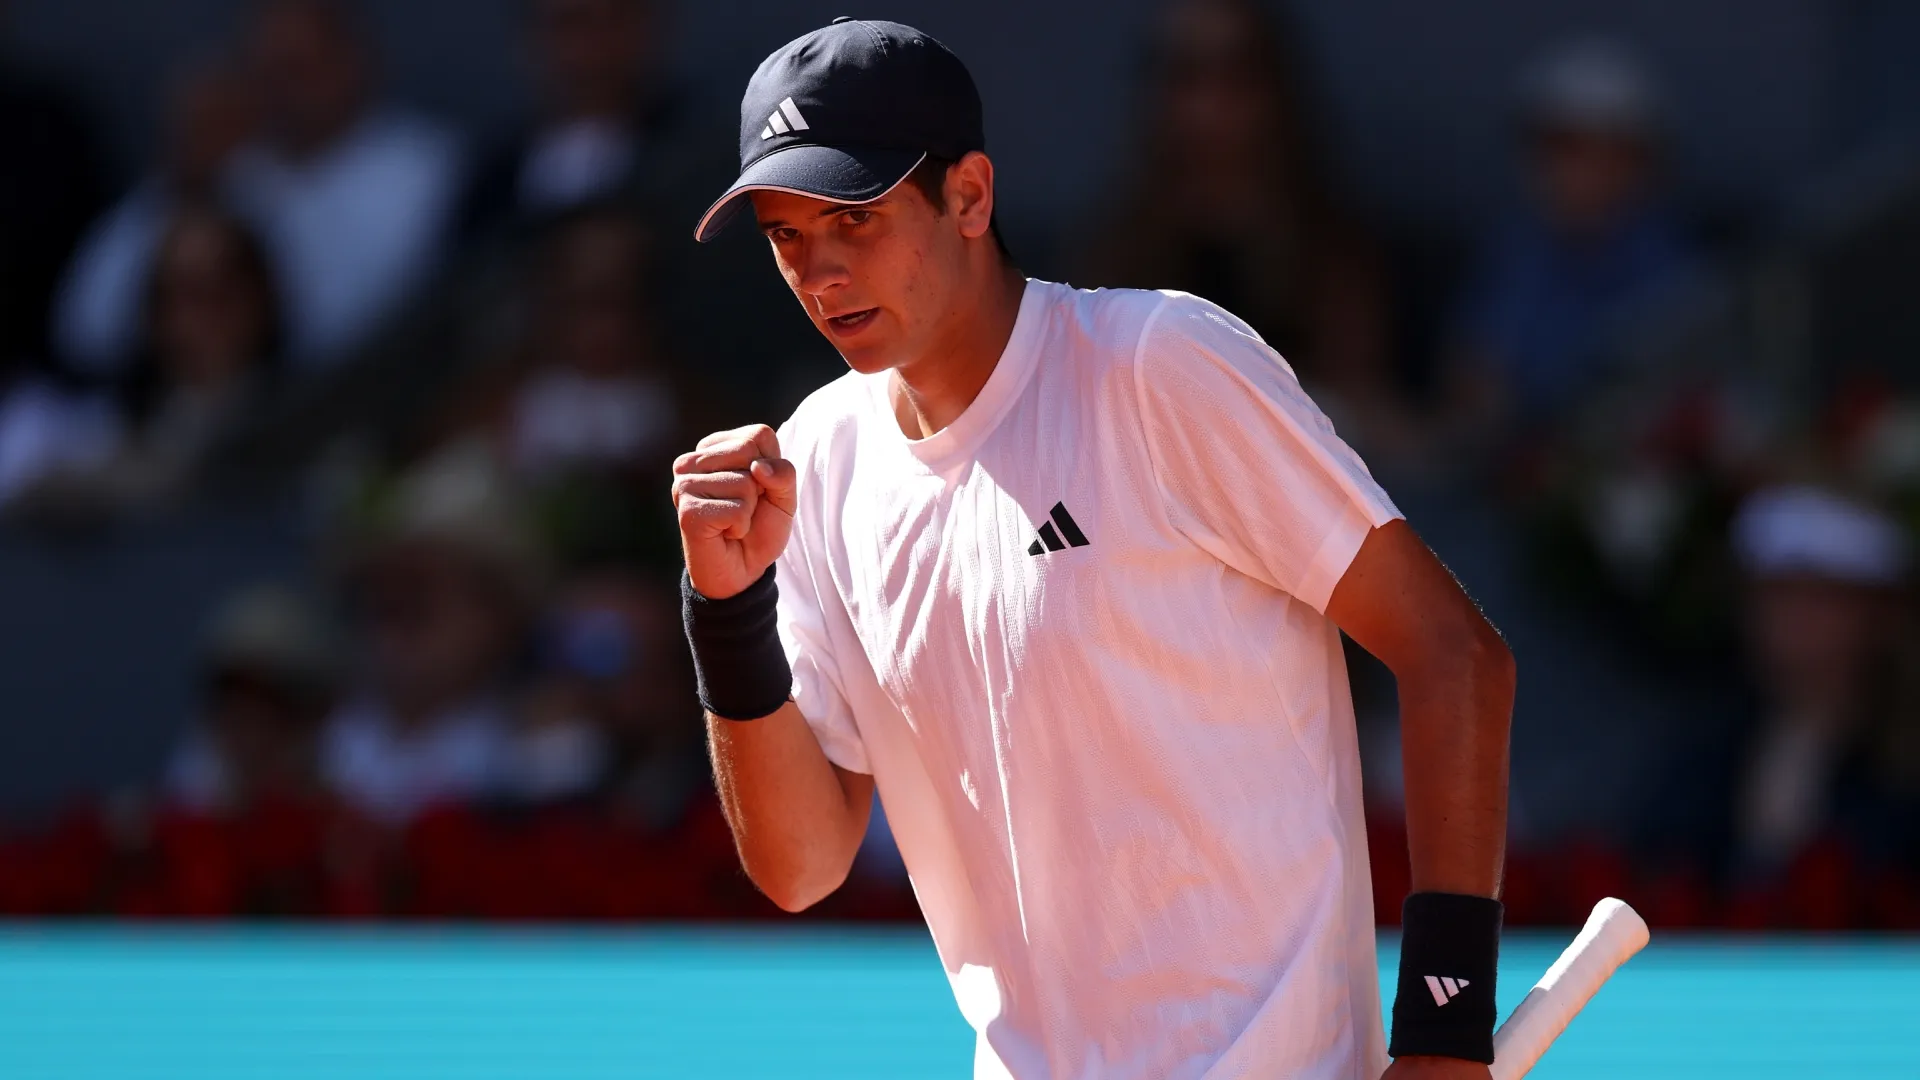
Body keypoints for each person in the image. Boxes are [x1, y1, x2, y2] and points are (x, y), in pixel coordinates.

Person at [673, 20, 1514, 1079]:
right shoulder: (819, 461)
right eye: (786, 235)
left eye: (855, 217)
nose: (821, 269)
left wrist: (1446, 1034)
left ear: (970, 197)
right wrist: (727, 611)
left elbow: (1456, 656)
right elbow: (800, 866)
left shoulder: (1161, 364)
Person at [55, 0, 463, 372]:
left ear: (356, 57)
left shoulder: (426, 167)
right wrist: (185, 181)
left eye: (305, 65)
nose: (293, 90)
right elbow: (89, 328)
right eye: (274, 70)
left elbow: (362, 320)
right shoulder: (232, 175)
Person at [1073, 0, 1404, 451]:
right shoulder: (1118, 250)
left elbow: (1365, 412)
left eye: (1235, 77)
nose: (1211, 106)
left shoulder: (1329, 253)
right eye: (1188, 76)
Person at [1438, 39, 1700, 457]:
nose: (1563, 171)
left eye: (1583, 149)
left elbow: (1670, 405)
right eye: (1551, 148)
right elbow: (1474, 376)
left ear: (1637, 160)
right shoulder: (1517, 247)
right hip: (1513, 470)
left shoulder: (1670, 267)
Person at [14, 206, 284, 517]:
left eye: (209, 293)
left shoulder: (296, 419)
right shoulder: (117, 422)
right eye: (169, 295)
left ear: (258, 298)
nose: (187, 319)